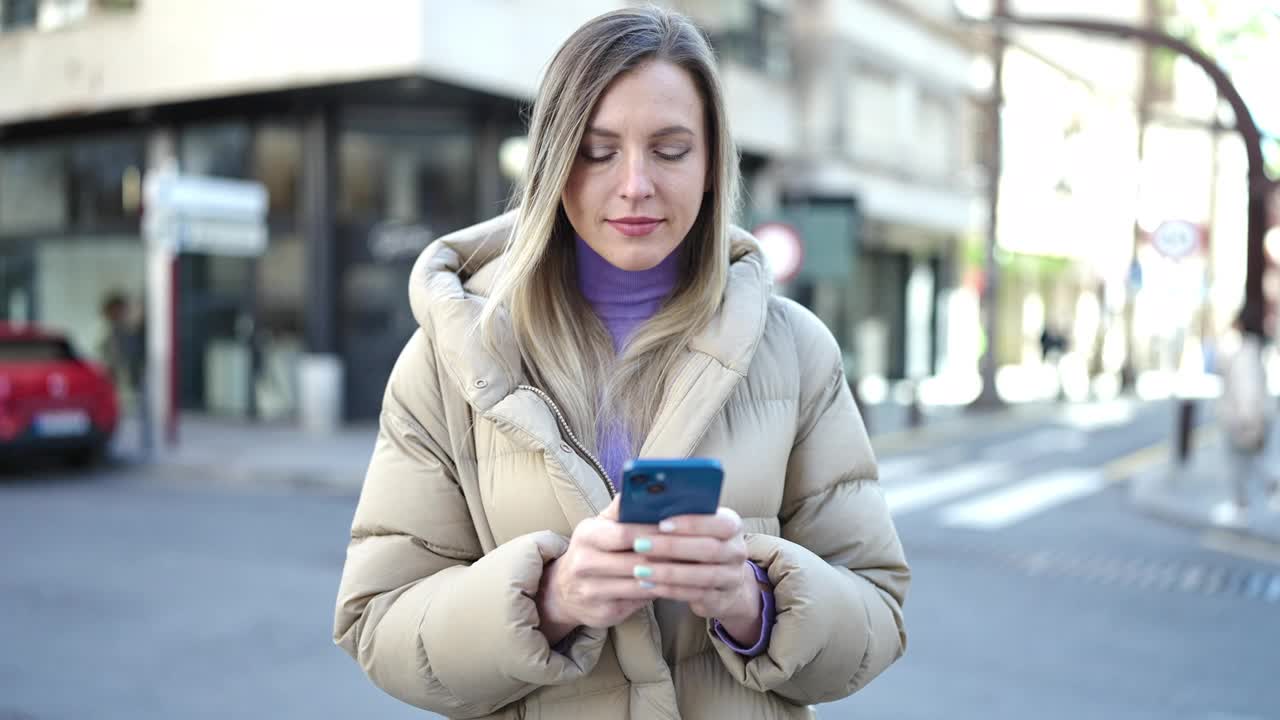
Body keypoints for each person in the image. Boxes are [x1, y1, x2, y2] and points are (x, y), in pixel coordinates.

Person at [332, 8, 908, 719]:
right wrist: (551, 598)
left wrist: (754, 601)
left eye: (669, 150)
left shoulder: (798, 351)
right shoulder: (451, 356)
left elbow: (877, 613)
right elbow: (379, 625)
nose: (635, 184)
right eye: (598, 151)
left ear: (710, 166)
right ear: (551, 162)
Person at [1212, 318, 1280, 526]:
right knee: (1253, 462)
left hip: (1243, 421)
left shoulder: (1243, 354)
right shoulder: (1250, 351)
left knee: (1242, 464)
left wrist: (1247, 420)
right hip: (1247, 419)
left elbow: (1247, 390)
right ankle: (1256, 498)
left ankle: (1242, 505)